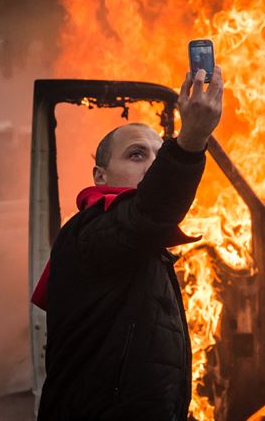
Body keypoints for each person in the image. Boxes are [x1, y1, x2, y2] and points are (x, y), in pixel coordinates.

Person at [34, 66, 223, 421]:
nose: (152, 164)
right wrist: (190, 142)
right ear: (99, 176)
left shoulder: (141, 243)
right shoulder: (90, 230)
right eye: (137, 155)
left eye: (158, 153)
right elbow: (150, 211)